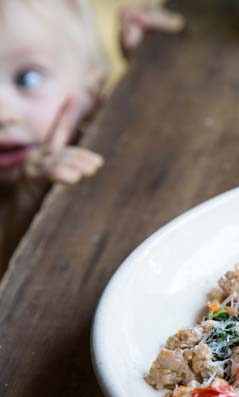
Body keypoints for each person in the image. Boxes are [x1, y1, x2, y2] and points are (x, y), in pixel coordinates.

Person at [0, 0, 183, 272]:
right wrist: (31, 190)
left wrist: (149, 64)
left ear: (92, 88)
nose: (4, 114)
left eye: (27, 79)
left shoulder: (99, 122)